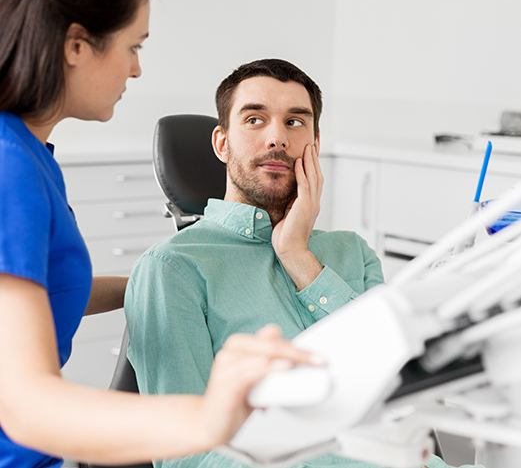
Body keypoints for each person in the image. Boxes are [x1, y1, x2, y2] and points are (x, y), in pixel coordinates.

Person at [0, 0, 317, 468]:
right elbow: (25, 406)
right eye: (133, 46)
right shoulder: (9, 168)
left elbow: (30, 296)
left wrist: (164, 278)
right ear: (77, 45)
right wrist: (207, 417)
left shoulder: (31, 157)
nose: (137, 68)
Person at [125, 59, 387, 468]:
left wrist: (299, 257)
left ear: (315, 144)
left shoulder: (353, 253)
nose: (277, 138)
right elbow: (185, 457)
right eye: (255, 119)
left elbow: (395, 383)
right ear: (222, 143)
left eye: (295, 122)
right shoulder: (172, 269)